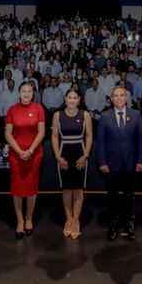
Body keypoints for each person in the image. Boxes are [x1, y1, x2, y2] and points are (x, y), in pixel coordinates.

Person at [96, 86, 142, 241]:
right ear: (111, 99)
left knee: (129, 196)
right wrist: (102, 162)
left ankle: (129, 223)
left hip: (131, 164)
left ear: (126, 98)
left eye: (121, 95)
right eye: (115, 96)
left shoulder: (136, 115)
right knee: (112, 197)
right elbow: (101, 143)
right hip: (111, 165)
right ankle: (113, 224)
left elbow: (141, 140)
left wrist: (141, 161)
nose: (119, 98)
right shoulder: (104, 117)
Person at [4, 81, 45, 238]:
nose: (26, 94)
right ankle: (20, 220)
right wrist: (20, 151)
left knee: (31, 187)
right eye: (23, 91)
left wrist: (30, 150)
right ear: (19, 93)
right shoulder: (12, 110)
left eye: (29, 91)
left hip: (34, 154)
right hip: (16, 155)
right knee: (17, 189)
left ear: (33, 93)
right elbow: (8, 133)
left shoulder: (38, 108)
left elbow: (41, 132)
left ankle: (29, 219)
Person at [51, 89, 93, 239]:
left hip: (80, 154)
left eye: (75, 97)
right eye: (70, 97)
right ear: (65, 98)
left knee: (78, 189)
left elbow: (89, 136)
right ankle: (68, 220)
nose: (72, 100)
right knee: (67, 189)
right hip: (63, 154)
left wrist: (85, 155)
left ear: (79, 99)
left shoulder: (85, 115)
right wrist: (57, 156)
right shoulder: (58, 115)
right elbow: (55, 137)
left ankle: (76, 220)